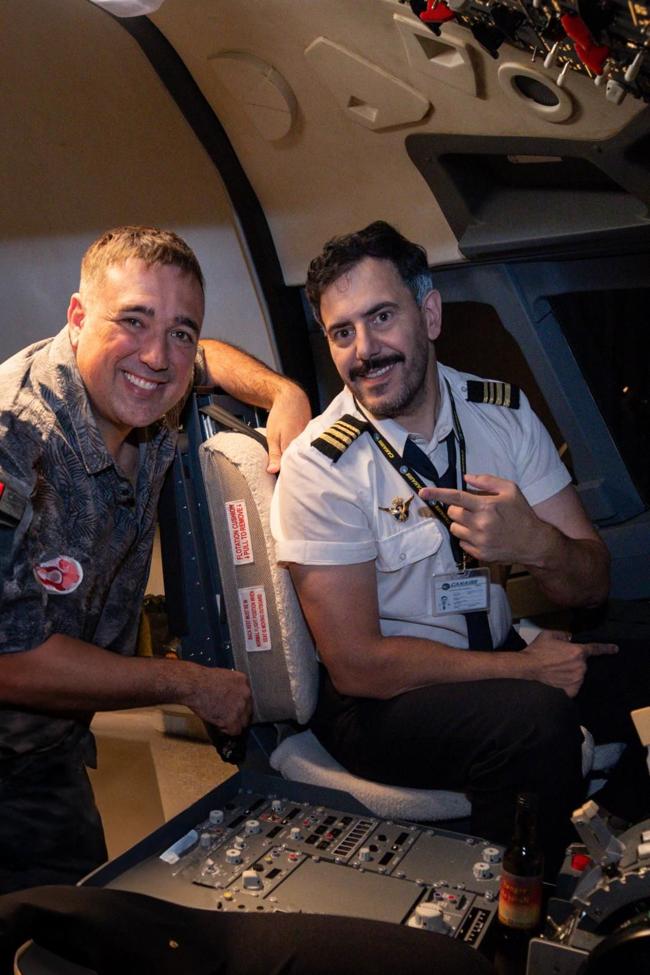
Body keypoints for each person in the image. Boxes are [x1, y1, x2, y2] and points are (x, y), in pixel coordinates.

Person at [271, 220, 650, 874]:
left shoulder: (499, 412)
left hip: (494, 653)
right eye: (342, 332)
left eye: (382, 316)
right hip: (382, 704)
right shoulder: (321, 466)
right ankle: (518, 916)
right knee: (535, 720)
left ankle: (616, 839)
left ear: (430, 313)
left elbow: (589, 582)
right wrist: (524, 667)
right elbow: (359, 664)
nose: (364, 350)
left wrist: (536, 543)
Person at [0, 225, 312, 894]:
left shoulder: (149, 386)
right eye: (134, 320)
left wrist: (283, 394)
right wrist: (190, 682)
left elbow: (208, 361)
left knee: (76, 930)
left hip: (44, 758)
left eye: (179, 330)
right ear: (78, 317)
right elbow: (11, 661)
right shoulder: (14, 437)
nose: (157, 355)